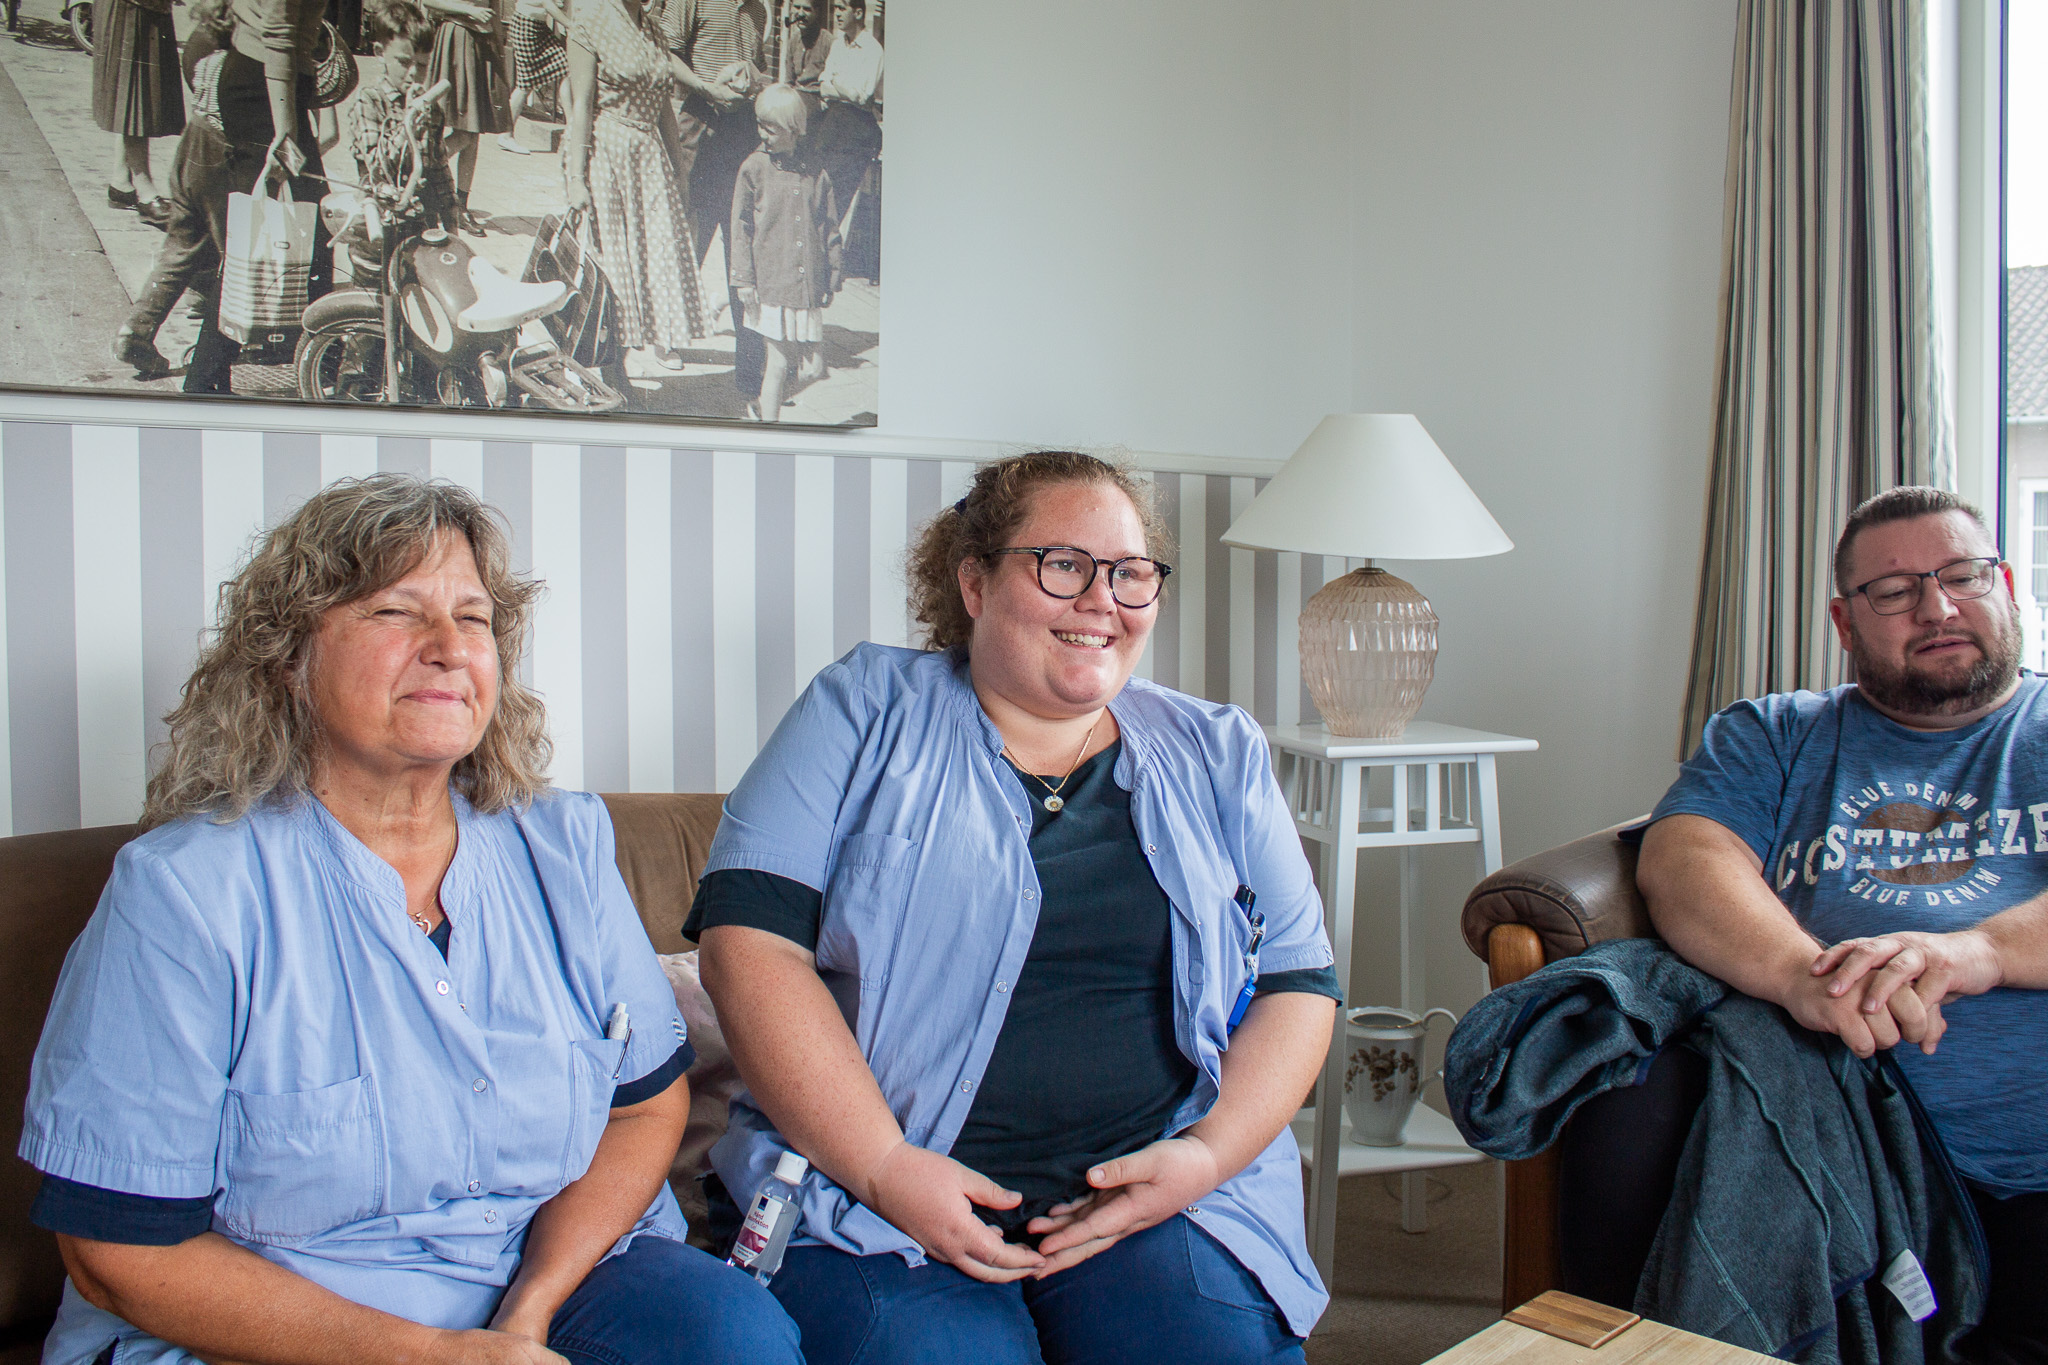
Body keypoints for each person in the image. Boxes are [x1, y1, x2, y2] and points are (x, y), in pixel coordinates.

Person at [18, 475, 803, 1365]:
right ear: (288, 657)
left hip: (547, 1279)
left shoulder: (563, 845)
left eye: (473, 618)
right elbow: (117, 1252)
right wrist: (433, 1353)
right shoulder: (183, 893)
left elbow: (643, 1107)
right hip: (296, 1325)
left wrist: (528, 1311)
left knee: (734, 1338)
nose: (449, 647)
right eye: (396, 611)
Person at [690, 451, 1339, 1363]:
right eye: (1063, 564)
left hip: (1149, 1199)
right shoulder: (859, 709)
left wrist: (1205, 1156)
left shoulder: (1217, 750)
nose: (1102, 599)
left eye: (1130, 572)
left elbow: (1299, 984)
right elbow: (748, 950)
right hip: (868, 1198)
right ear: (974, 582)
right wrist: (884, 1165)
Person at [1637, 485, 2048, 1363]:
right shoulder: (1776, 734)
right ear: (1844, 621)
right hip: (1842, 1151)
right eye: (1894, 591)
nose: (1937, 608)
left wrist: (1974, 951)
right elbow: (1684, 857)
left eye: (1963, 576)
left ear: (2007, 586)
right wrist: (1802, 974)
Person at [182, 0, 331, 394]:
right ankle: (206, 378)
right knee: (295, 230)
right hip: (266, 90)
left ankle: (208, 376)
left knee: (268, 235)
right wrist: (286, 133)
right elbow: (279, 35)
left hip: (265, 83)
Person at [564, 0, 708, 375]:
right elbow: (581, 105)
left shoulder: (653, 28)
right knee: (612, 266)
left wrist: (679, 169)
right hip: (605, 151)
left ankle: (622, 366)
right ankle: (607, 371)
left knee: (652, 261)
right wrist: (576, 177)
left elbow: (663, 107)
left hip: (648, 156)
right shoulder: (589, 18)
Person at [659, 0, 768, 404]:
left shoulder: (758, 10)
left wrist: (755, 82)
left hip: (741, 133)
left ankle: (750, 366)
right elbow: (666, 55)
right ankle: (667, 335)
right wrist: (708, 87)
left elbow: (756, 66)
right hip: (700, 123)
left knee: (744, 244)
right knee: (689, 235)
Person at [728, 84, 838, 421]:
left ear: (794, 128)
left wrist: (832, 274)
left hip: (805, 286)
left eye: (771, 128)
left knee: (813, 368)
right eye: (759, 125)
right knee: (777, 364)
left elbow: (828, 225)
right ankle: (769, 427)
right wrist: (743, 279)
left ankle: (763, 407)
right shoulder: (754, 167)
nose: (762, 134)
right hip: (772, 284)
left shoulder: (815, 172)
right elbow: (740, 227)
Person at [350, 2, 458, 233]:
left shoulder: (430, 108)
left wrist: (451, 221)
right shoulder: (370, 101)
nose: (413, 74)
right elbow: (378, 169)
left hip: (420, 221)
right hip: (379, 221)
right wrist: (407, 126)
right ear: (380, 53)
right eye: (404, 62)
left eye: (422, 65)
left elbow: (439, 169)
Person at [93, 0, 185, 226]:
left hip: (148, 7)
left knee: (139, 90)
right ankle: (145, 192)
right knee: (135, 91)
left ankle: (121, 182)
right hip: (130, 8)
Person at [422, 0, 504, 235]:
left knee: (473, 132)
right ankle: (418, 169)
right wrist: (470, 10)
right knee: (464, 133)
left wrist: (497, 43)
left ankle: (460, 205)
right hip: (457, 38)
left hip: (480, 42)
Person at [811, 0, 878, 280]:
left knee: (837, 201)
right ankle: (815, 261)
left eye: (842, 8)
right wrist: (840, 87)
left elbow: (861, 95)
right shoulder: (838, 45)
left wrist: (836, 84)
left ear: (858, 13)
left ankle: (827, 268)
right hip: (833, 125)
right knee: (818, 191)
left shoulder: (873, 50)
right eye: (836, 8)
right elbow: (823, 85)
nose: (837, 13)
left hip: (856, 132)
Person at [499, 0, 570, 155]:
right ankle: (506, 134)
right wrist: (571, 25)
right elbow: (547, 4)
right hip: (526, 26)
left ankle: (571, 127)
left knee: (564, 67)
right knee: (525, 84)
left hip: (538, 27)